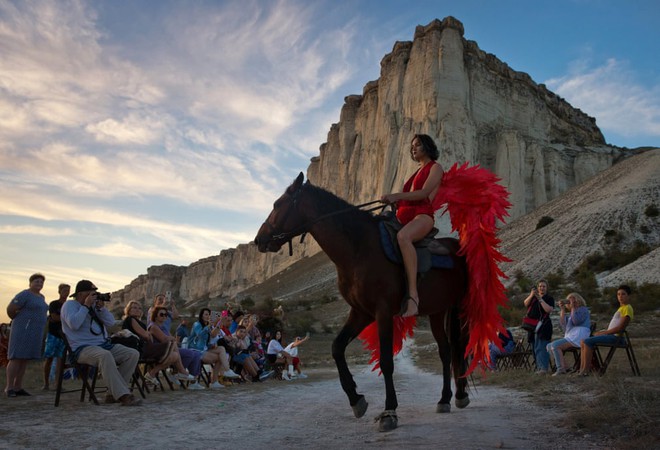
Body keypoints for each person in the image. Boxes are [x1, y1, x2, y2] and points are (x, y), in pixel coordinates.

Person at [380, 134, 445, 317]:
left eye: (417, 145)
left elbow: (424, 193)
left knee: (403, 237)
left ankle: (413, 297)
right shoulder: (416, 171)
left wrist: (397, 196)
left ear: (427, 146)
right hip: (404, 217)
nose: (413, 149)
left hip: (422, 216)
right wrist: (395, 203)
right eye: (412, 146)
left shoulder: (436, 168)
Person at [60, 280, 142, 406]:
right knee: (104, 355)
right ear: (81, 294)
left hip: (103, 345)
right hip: (81, 349)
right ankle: (123, 395)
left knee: (132, 354)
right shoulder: (70, 305)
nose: (94, 296)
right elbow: (74, 324)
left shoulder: (94, 307)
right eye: (91, 293)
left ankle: (112, 394)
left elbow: (110, 323)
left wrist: (101, 308)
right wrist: (86, 306)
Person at [122, 301, 196, 387]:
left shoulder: (141, 322)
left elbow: (148, 336)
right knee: (172, 343)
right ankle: (180, 371)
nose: (137, 310)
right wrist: (149, 335)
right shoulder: (131, 319)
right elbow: (146, 335)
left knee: (175, 355)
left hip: (145, 348)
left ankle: (152, 373)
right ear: (128, 310)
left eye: (139, 308)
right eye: (134, 308)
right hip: (139, 349)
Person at [5, 273, 48, 398]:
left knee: (24, 359)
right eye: (36, 281)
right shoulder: (24, 294)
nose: (39, 284)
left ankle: (18, 386)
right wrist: (18, 319)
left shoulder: (41, 297)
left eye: (41, 282)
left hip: (34, 332)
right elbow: (11, 308)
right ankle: (9, 387)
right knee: (16, 357)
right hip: (22, 329)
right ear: (30, 283)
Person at [577, 285, 634, 376]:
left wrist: (604, 333)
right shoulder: (621, 308)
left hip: (617, 338)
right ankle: (581, 370)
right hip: (611, 335)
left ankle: (585, 371)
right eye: (618, 294)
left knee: (587, 341)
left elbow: (620, 328)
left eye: (623, 294)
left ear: (628, 296)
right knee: (583, 341)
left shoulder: (627, 308)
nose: (620, 296)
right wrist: (603, 331)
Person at [148, 306, 205, 390]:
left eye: (166, 314)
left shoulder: (163, 327)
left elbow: (170, 338)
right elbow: (164, 339)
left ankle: (193, 381)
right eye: (161, 314)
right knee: (189, 354)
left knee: (196, 354)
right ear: (155, 316)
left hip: (170, 349)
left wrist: (172, 339)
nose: (164, 316)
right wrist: (172, 339)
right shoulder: (153, 327)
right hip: (162, 351)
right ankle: (177, 372)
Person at [188, 308, 240, 388]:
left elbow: (211, 338)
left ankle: (222, 375)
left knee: (221, 349)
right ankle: (219, 377)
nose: (208, 316)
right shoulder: (197, 324)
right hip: (195, 350)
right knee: (220, 355)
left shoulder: (208, 326)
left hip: (204, 349)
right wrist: (209, 326)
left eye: (209, 314)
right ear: (201, 316)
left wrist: (220, 322)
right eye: (206, 314)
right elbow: (200, 335)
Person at [547, 292, 591, 376]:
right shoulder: (572, 313)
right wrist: (562, 309)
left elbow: (576, 321)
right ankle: (566, 367)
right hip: (572, 335)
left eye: (573, 300)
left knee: (555, 346)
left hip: (579, 335)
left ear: (578, 300)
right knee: (549, 346)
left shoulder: (583, 309)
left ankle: (560, 369)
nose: (570, 303)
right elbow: (563, 324)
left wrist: (573, 307)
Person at [523, 279, 555, 375]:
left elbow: (549, 310)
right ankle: (539, 367)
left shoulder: (549, 298)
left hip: (544, 326)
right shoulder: (533, 298)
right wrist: (532, 295)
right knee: (534, 347)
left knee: (542, 346)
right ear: (537, 288)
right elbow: (525, 303)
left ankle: (543, 368)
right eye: (540, 286)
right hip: (532, 326)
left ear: (547, 288)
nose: (542, 288)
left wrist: (540, 299)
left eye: (544, 286)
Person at [42, 283, 70, 390]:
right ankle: (46, 383)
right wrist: (66, 319)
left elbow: (57, 318)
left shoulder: (68, 305)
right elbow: (54, 317)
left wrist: (60, 318)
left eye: (68, 291)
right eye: (64, 290)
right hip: (53, 335)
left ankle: (58, 384)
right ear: (59, 291)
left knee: (60, 360)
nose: (66, 293)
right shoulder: (54, 304)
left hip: (64, 335)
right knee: (49, 359)